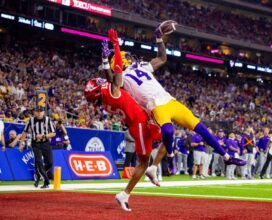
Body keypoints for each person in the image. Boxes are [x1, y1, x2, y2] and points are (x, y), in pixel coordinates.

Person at [103, 22, 246, 186]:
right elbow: (113, 78)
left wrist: (159, 39)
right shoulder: (122, 78)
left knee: (201, 128)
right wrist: (113, 49)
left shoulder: (142, 66)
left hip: (170, 101)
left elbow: (162, 58)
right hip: (156, 106)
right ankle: (170, 157)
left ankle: (226, 157)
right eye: (126, 56)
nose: (130, 57)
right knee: (168, 130)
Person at [84, 30, 161, 212]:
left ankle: (153, 169)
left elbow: (112, 77)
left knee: (168, 132)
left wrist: (105, 61)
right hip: (139, 125)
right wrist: (116, 47)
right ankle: (125, 193)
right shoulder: (111, 92)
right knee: (143, 161)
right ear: (98, 91)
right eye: (97, 83)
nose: (99, 80)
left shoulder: (107, 100)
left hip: (142, 119)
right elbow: (116, 73)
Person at [19, 106, 56, 189]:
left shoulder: (48, 120)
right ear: (34, 112)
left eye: (41, 111)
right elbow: (24, 132)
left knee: (50, 162)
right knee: (38, 161)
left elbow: (53, 133)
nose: (39, 113)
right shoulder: (31, 120)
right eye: (37, 111)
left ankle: (38, 174)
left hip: (45, 143)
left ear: (43, 112)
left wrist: (44, 135)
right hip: (35, 143)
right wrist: (21, 143)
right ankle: (46, 181)